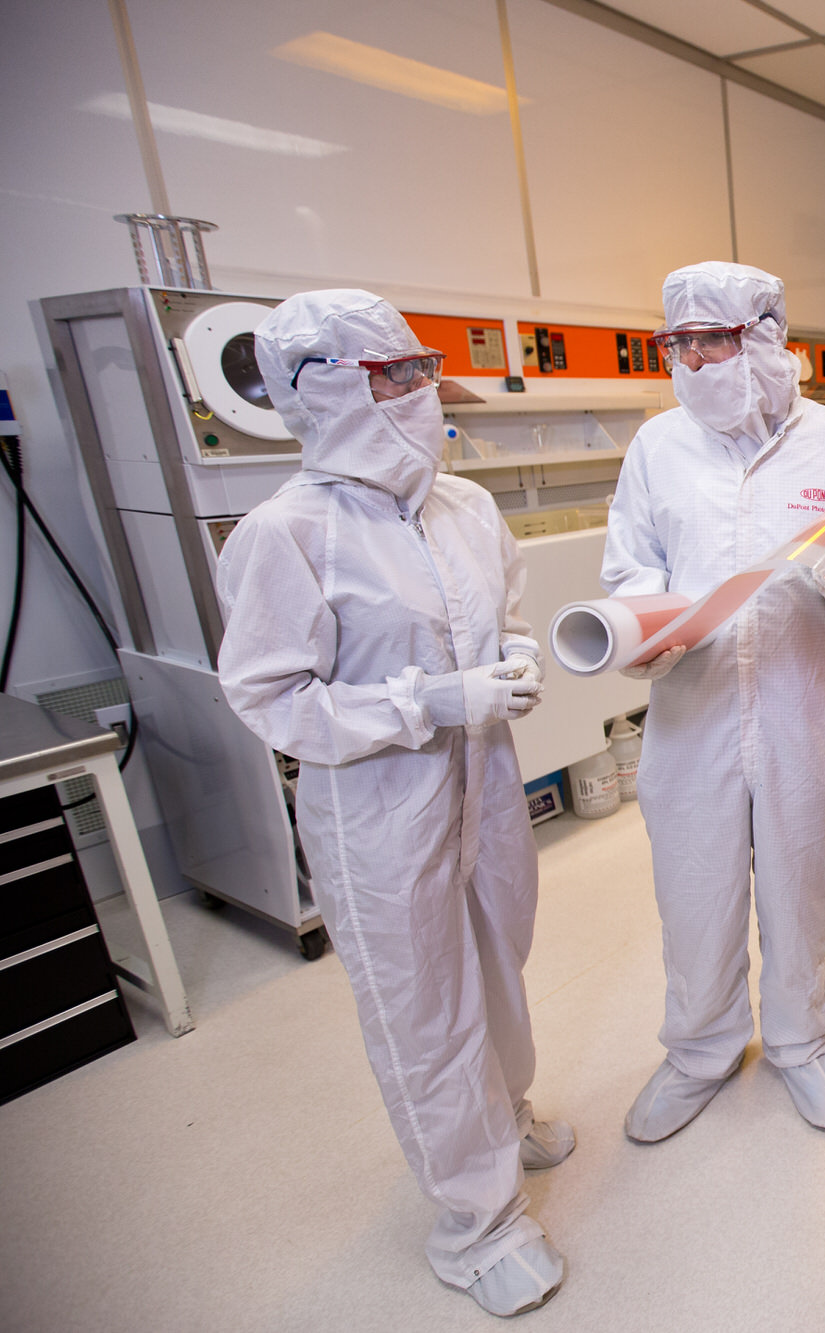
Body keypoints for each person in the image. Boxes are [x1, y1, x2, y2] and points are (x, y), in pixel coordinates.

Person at [215, 290, 570, 1317]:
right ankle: (477, 1222)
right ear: (315, 391)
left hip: (485, 788)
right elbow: (272, 698)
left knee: (497, 963)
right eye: (389, 376)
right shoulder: (288, 534)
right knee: (425, 1007)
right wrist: (429, 704)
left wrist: (511, 658)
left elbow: (503, 614)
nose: (417, 392)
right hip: (378, 809)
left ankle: (507, 1114)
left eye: (419, 370)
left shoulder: (464, 506)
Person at [604, 261, 825, 1142]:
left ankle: (802, 1039)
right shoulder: (657, 447)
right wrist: (645, 623)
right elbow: (629, 568)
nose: (690, 361)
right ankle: (702, 1047)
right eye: (676, 343)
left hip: (801, 706)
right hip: (691, 714)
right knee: (694, 885)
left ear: (765, 336)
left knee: (801, 875)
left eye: (710, 340)